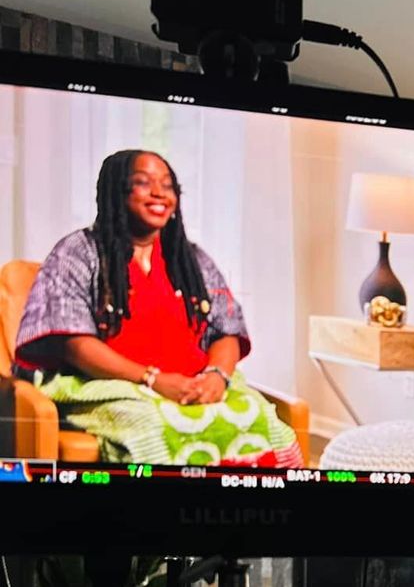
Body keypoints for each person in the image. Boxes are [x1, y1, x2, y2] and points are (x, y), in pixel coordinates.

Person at [14, 149, 301, 467]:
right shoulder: (78, 252)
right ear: (117, 190)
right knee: (152, 427)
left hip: (192, 380)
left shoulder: (191, 259)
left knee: (265, 420)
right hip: (104, 384)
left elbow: (226, 330)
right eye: (143, 182)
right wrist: (153, 380)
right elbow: (74, 344)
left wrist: (217, 376)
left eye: (167, 185)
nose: (159, 193)